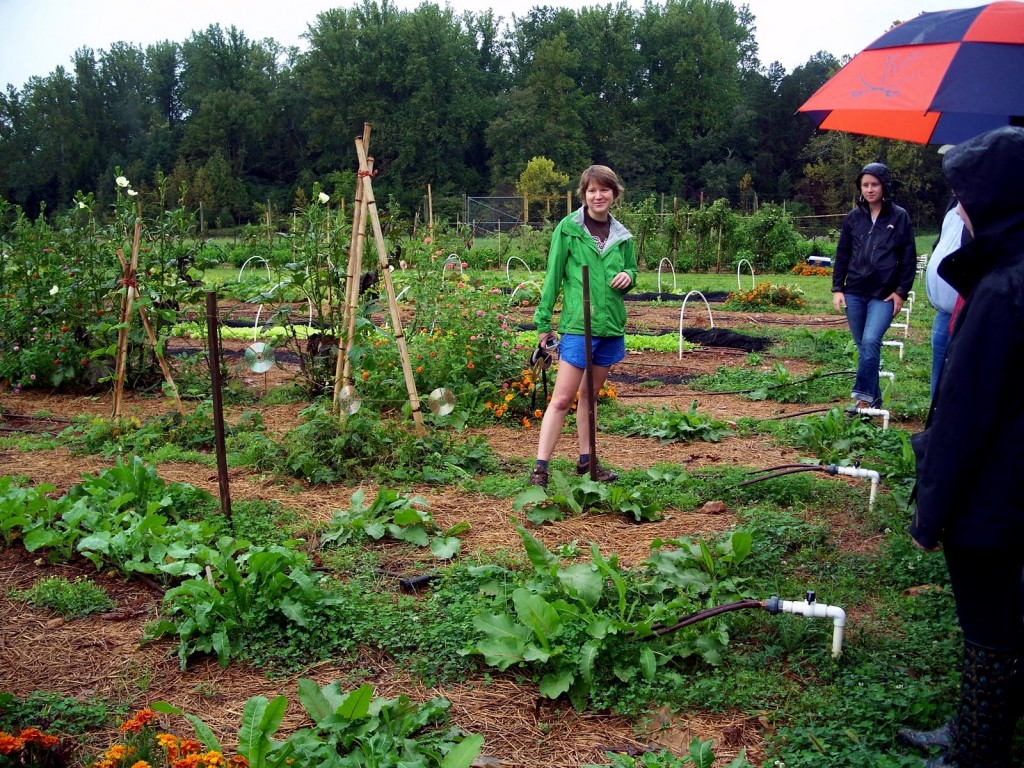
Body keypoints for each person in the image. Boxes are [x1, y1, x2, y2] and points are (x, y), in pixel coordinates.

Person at [904, 125, 1024, 767]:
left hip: (993, 497)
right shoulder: (1009, 273)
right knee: (1008, 620)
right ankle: (975, 731)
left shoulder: (1003, 291)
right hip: (1012, 487)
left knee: (988, 630)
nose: (962, 212)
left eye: (968, 199)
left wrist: (931, 512)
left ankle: (976, 753)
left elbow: (965, 416)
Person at [528, 165, 637, 488]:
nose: (598, 195)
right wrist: (543, 322)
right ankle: (540, 468)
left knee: (590, 396)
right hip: (578, 325)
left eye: (604, 190)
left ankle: (587, 460)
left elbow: (630, 268)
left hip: (610, 326)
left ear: (614, 194)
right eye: (592, 190)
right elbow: (553, 275)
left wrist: (629, 277)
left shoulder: (622, 236)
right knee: (562, 399)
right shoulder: (569, 229)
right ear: (584, 195)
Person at [831, 162, 917, 411]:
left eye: (874, 184)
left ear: (884, 186)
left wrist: (901, 291)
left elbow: (908, 258)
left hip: (884, 295)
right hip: (855, 292)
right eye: (865, 185)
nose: (869, 189)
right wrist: (838, 288)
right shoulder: (853, 218)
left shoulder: (899, 217)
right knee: (864, 346)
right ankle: (874, 397)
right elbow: (843, 253)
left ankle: (862, 400)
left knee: (870, 341)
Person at [925, 198, 969, 398]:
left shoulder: (987, 207)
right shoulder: (953, 206)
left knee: (960, 373)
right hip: (944, 313)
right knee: (939, 371)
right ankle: (936, 423)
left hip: (967, 311)